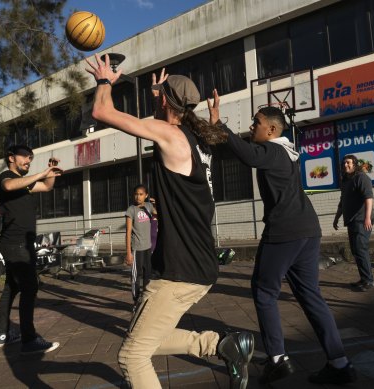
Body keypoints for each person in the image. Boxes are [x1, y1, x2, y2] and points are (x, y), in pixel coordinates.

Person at [86, 56, 254, 389]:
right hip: (197, 263)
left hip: (181, 269)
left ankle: (221, 344)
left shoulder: (171, 136)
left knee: (131, 356)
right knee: (147, 337)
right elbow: (161, 125)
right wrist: (158, 96)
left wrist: (105, 81)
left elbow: (102, 113)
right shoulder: (195, 141)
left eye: (161, 96)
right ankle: (220, 345)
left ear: (166, 101)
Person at [208, 90, 357, 385]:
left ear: (272, 129)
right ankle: (340, 363)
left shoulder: (273, 151)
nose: (252, 127)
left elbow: (248, 155)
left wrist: (219, 125)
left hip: (286, 231)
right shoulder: (286, 152)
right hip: (307, 229)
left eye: (256, 122)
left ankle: (277, 359)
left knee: (264, 291)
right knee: (311, 296)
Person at [0, 144, 63, 354]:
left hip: (21, 242)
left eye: (31, 158)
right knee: (30, 287)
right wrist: (41, 173)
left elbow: (47, 187)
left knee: (11, 287)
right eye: (25, 157)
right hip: (16, 244)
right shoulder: (6, 177)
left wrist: (51, 173)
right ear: (11, 157)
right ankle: (29, 340)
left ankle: (2, 334)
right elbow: (8, 186)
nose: (28, 161)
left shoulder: (24, 184)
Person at [333, 154, 374, 291]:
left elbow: (368, 198)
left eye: (348, 162)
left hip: (362, 219)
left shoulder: (361, 178)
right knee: (356, 250)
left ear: (355, 164)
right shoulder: (345, 180)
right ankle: (364, 278)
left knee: (361, 249)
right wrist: (336, 217)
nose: (345, 165)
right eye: (344, 163)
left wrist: (367, 218)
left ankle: (369, 281)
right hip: (351, 220)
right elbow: (342, 201)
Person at [125, 184, 156, 307]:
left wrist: (156, 203)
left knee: (148, 275)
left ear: (146, 195)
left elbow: (160, 213)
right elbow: (127, 233)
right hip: (136, 249)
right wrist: (128, 253)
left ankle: (146, 299)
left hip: (148, 248)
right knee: (136, 277)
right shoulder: (131, 210)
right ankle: (136, 300)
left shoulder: (149, 207)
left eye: (141, 194)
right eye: (136, 194)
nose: (138, 196)